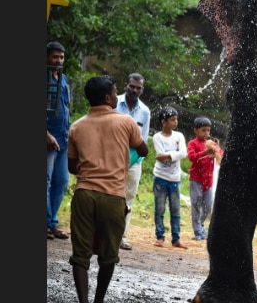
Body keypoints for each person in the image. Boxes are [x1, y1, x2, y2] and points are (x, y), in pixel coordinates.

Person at [66, 75, 149, 303]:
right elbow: (143, 150)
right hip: (113, 196)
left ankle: (83, 301)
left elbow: (72, 167)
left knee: (80, 255)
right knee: (108, 255)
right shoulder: (126, 122)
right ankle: (98, 300)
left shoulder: (76, 127)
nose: (116, 96)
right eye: (114, 93)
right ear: (107, 98)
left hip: (84, 194)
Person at [114, 72, 151, 250]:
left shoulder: (145, 111)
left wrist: (133, 160)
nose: (134, 90)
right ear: (125, 86)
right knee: (109, 195)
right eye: (132, 86)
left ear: (142, 90)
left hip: (134, 161)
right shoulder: (113, 104)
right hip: (111, 158)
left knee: (127, 199)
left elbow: (143, 141)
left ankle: (121, 236)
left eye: (138, 88)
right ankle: (102, 234)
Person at [152, 106, 188, 249]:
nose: (175, 122)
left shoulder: (179, 136)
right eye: (172, 120)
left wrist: (169, 155)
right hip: (160, 177)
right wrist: (175, 154)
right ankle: (160, 237)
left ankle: (176, 238)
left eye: (176, 119)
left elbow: (183, 153)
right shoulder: (157, 137)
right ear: (164, 122)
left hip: (174, 178)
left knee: (175, 210)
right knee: (160, 208)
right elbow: (160, 158)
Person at [46, 41, 71, 240]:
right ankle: (47, 222)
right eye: (55, 57)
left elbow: (65, 108)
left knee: (62, 180)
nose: (59, 61)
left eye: (61, 57)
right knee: (45, 180)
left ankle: (51, 221)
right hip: (48, 137)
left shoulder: (63, 80)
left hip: (63, 137)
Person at [187, 116, 223, 240]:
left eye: (208, 130)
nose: (206, 133)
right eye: (203, 130)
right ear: (196, 130)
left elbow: (220, 154)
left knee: (208, 206)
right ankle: (197, 231)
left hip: (209, 180)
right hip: (196, 179)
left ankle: (201, 225)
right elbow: (191, 157)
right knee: (196, 204)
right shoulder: (193, 143)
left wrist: (217, 153)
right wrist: (205, 153)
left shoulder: (212, 144)